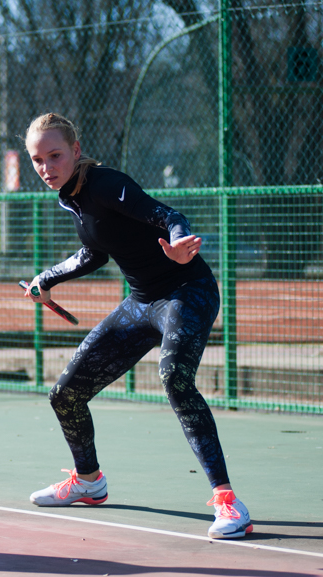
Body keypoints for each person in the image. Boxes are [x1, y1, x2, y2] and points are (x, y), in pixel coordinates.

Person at [21, 113, 252, 540]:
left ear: (75, 150)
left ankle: (228, 502)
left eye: (55, 156)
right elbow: (94, 252)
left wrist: (180, 243)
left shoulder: (105, 184)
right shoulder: (70, 197)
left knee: (174, 379)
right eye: (37, 160)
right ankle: (89, 481)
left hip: (187, 290)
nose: (46, 168)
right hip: (142, 302)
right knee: (66, 395)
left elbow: (167, 214)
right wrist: (46, 278)